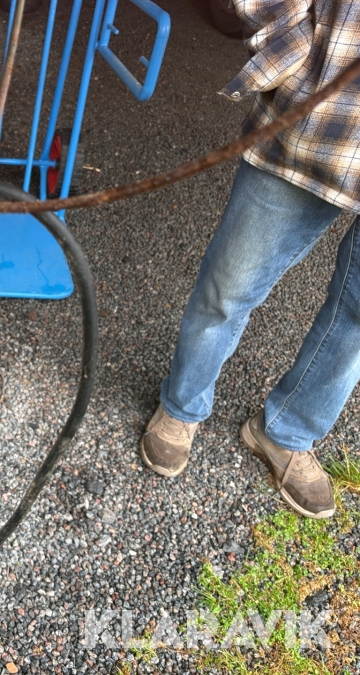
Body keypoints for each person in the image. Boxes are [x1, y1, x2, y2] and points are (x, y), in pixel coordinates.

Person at [140, 0, 360, 519]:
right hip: (314, 127)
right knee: (229, 284)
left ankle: (287, 433)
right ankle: (182, 404)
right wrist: (292, 48)